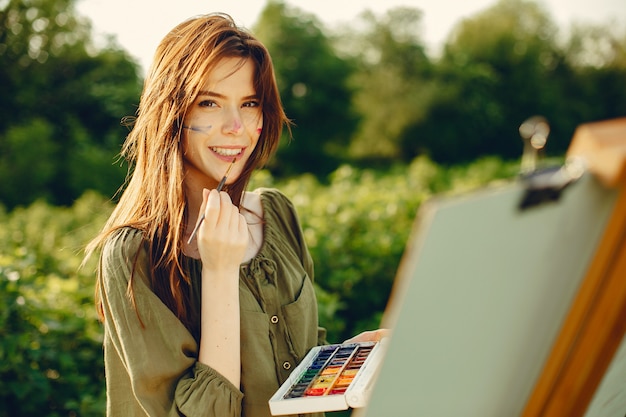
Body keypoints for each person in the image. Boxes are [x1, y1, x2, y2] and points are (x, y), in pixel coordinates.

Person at [84, 12, 384, 417]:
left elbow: (288, 368)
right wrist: (220, 272)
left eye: (250, 104)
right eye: (209, 103)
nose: (235, 126)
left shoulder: (276, 213)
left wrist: (348, 362)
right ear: (173, 114)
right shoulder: (133, 254)